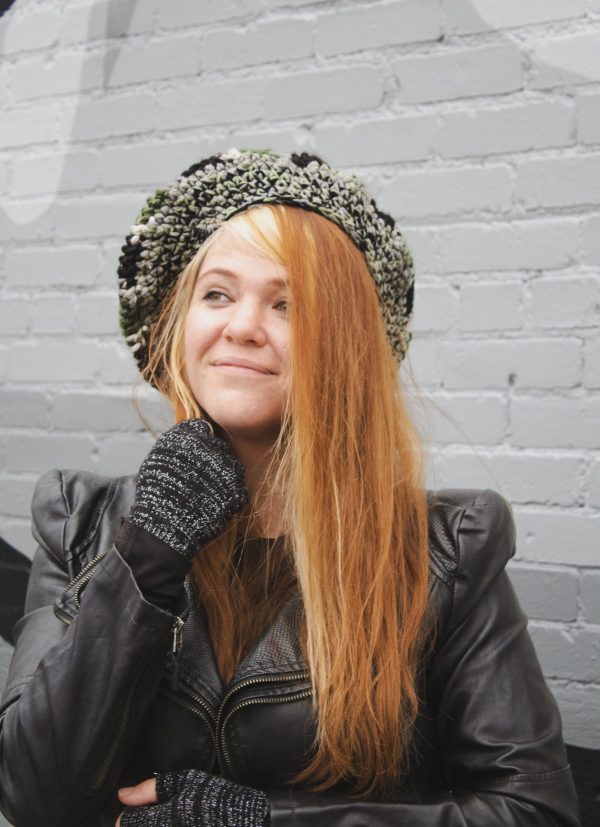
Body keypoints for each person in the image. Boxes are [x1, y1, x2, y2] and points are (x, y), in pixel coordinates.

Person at [0, 149, 580, 827]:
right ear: (178, 323)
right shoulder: (81, 522)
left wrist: (261, 820)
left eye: (287, 303)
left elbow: (533, 810)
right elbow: (36, 798)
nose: (242, 325)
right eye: (217, 293)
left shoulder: (446, 551)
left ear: (344, 344)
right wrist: (147, 549)